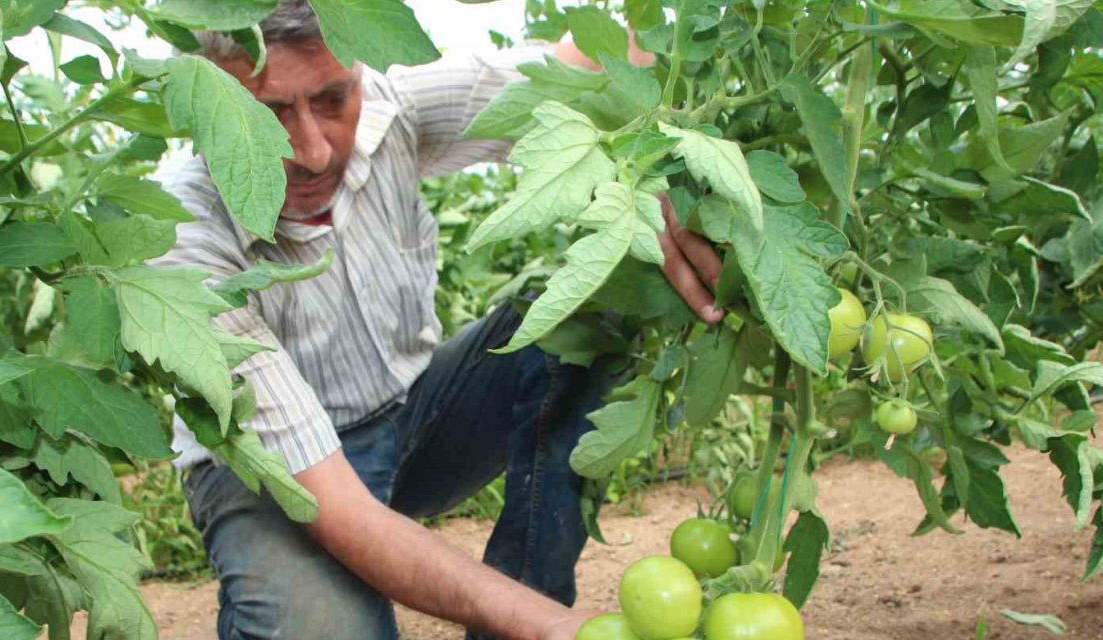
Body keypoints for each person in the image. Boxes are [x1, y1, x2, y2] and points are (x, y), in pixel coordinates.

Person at [154, 2, 726, 639]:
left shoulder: (396, 109)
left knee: (593, 309)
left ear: (359, 69)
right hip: (266, 476)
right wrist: (555, 629)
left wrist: (660, 152)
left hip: (414, 423)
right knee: (320, 630)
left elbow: (585, 68)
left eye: (333, 100)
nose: (313, 153)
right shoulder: (184, 234)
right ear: (205, 101)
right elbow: (335, 503)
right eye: (266, 116)